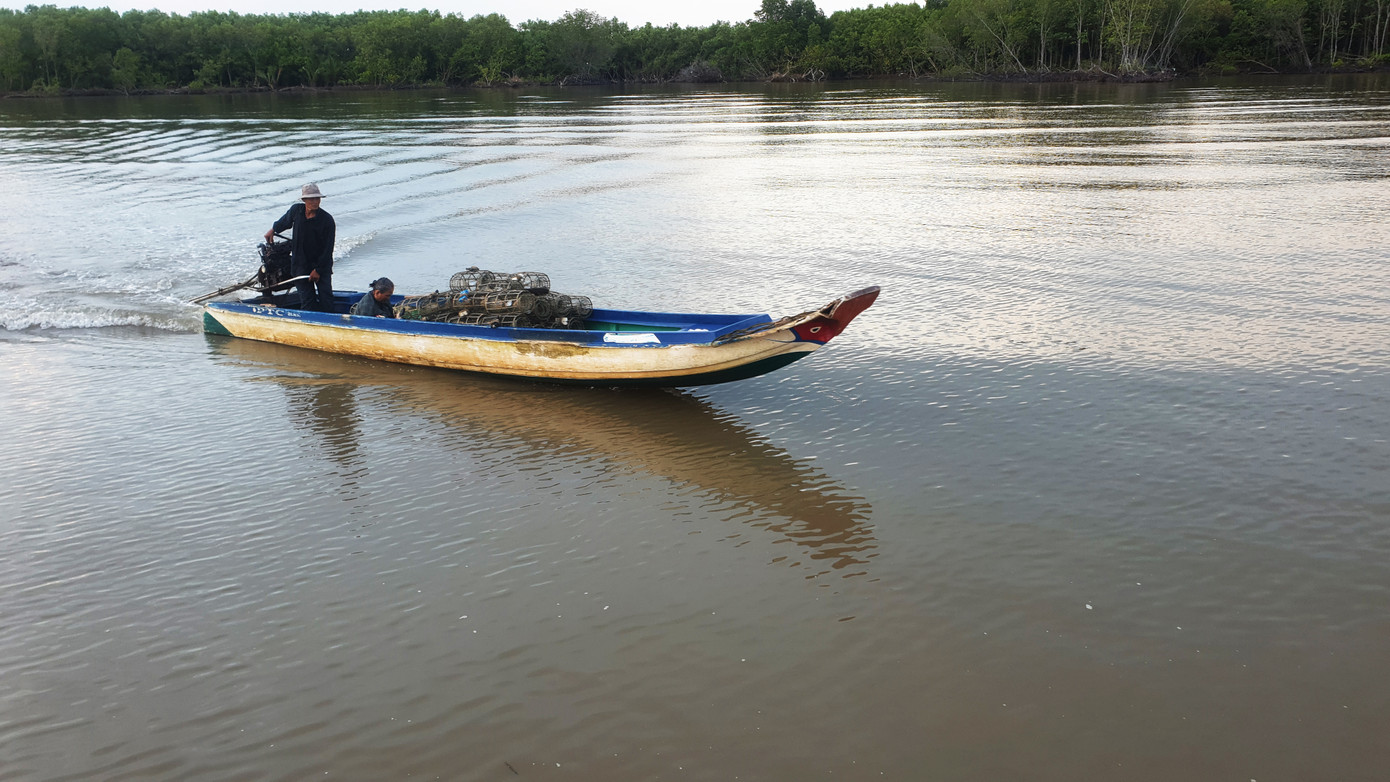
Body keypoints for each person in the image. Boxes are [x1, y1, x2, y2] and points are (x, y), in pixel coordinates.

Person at [265, 183, 335, 312]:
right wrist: (273, 230)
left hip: (321, 265)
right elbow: (284, 222)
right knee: (307, 301)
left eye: (317, 198)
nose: (315, 202)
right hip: (300, 265)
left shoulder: (327, 220)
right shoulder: (296, 211)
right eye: (311, 199)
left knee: (326, 299)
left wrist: (318, 270)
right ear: (304, 200)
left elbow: (328, 249)